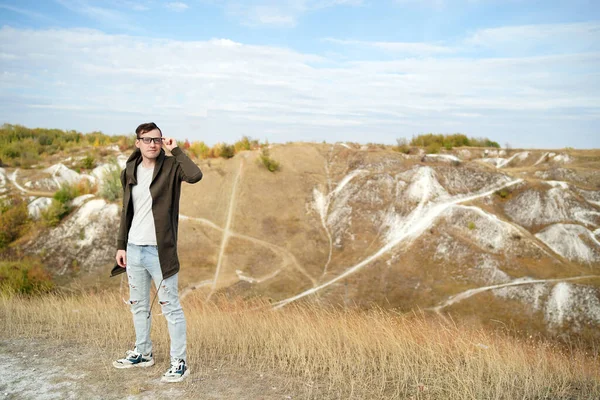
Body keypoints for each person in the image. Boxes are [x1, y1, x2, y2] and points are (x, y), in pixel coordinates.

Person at [112, 122, 202, 383]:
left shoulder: (172, 167)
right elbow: (125, 210)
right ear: (138, 142)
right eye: (147, 139)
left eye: (158, 139)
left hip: (160, 251)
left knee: (170, 307)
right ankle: (143, 353)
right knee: (138, 306)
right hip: (134, 248)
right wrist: (121, 245)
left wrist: (177, 151)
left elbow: (195, 176)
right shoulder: (130, 170)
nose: (153, 143)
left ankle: (179, 362)